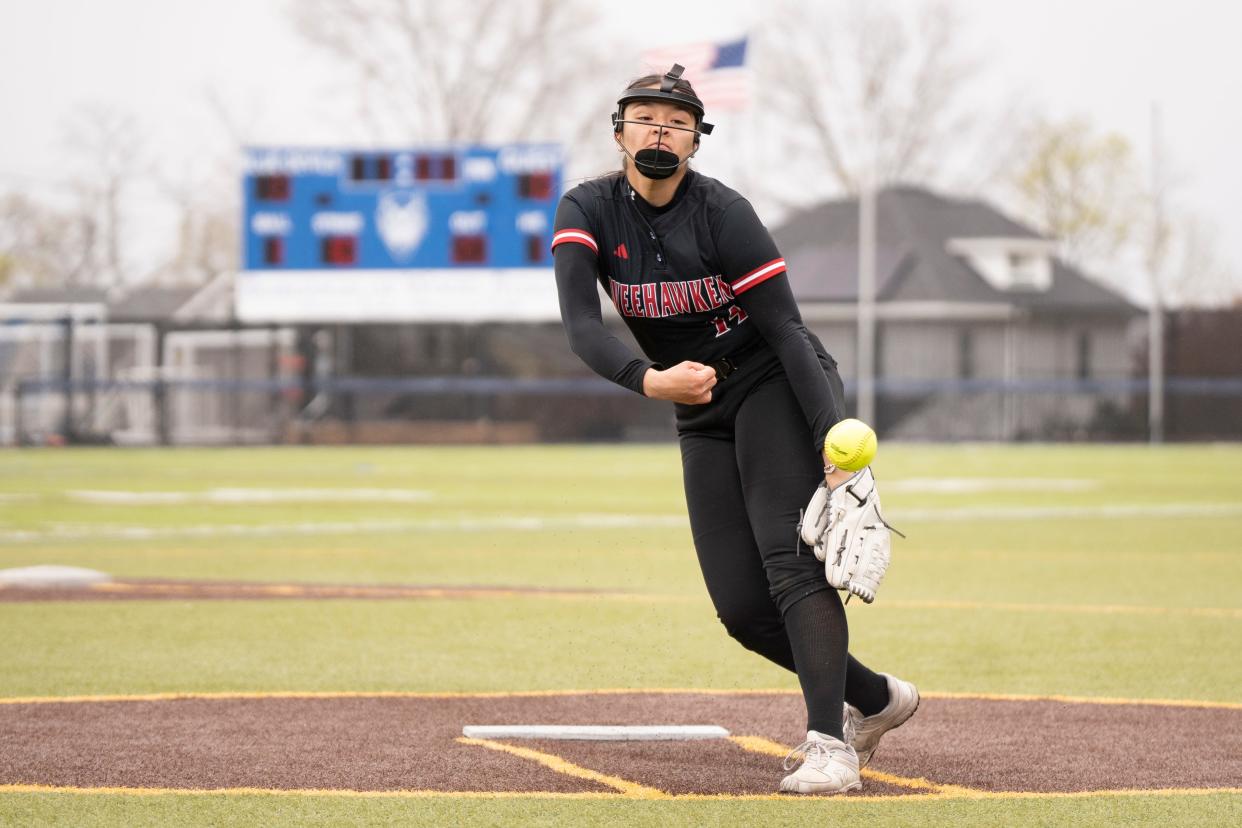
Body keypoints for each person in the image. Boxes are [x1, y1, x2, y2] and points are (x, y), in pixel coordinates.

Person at [551, 64, 919, 794]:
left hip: (773, 382)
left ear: (697, 140)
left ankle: (830, 746)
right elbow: (582, 329)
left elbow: (785, 328)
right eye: (646, 117)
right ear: (618, 129)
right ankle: (877, 700)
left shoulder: (723, 213)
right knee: (743, 611)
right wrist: (649, 380)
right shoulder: (587, 207)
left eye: (678, 121)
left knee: (790, 567)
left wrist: (833, 441)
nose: (660, 130)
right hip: (697, 405)